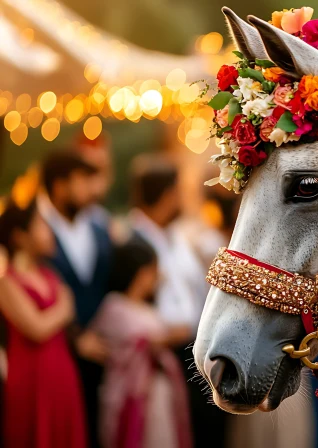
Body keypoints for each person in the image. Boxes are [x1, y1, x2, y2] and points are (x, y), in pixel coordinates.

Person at [127, 155, 226, 447]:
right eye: (179, 191)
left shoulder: (176, 235)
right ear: (168, 195)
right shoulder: (132, 243)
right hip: (165, 357)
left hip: (197, 350)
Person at [0, 189, 87, 448]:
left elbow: (64, 313)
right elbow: (36, 328)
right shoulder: (7, 282)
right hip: (30, 379)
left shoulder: (50, 275)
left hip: (61, 373)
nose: (49, 232)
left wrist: (59, 311)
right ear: (20, 236)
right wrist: (62, 308)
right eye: (40, 225)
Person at [39, 151, 114, 448]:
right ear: (59, 186)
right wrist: (75, 338)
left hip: (103, 355)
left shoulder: (99, 229)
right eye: (82, 181)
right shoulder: (35, 231)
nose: (92, 189)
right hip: (55, 356)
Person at [91, 238, 192, 448]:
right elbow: (138, 343)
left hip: (157, 398)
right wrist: (160, 340)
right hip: (127, 397)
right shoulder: (114, 306)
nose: (159, 277)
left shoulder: (149, 310)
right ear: (140, 273)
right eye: (154, 271)